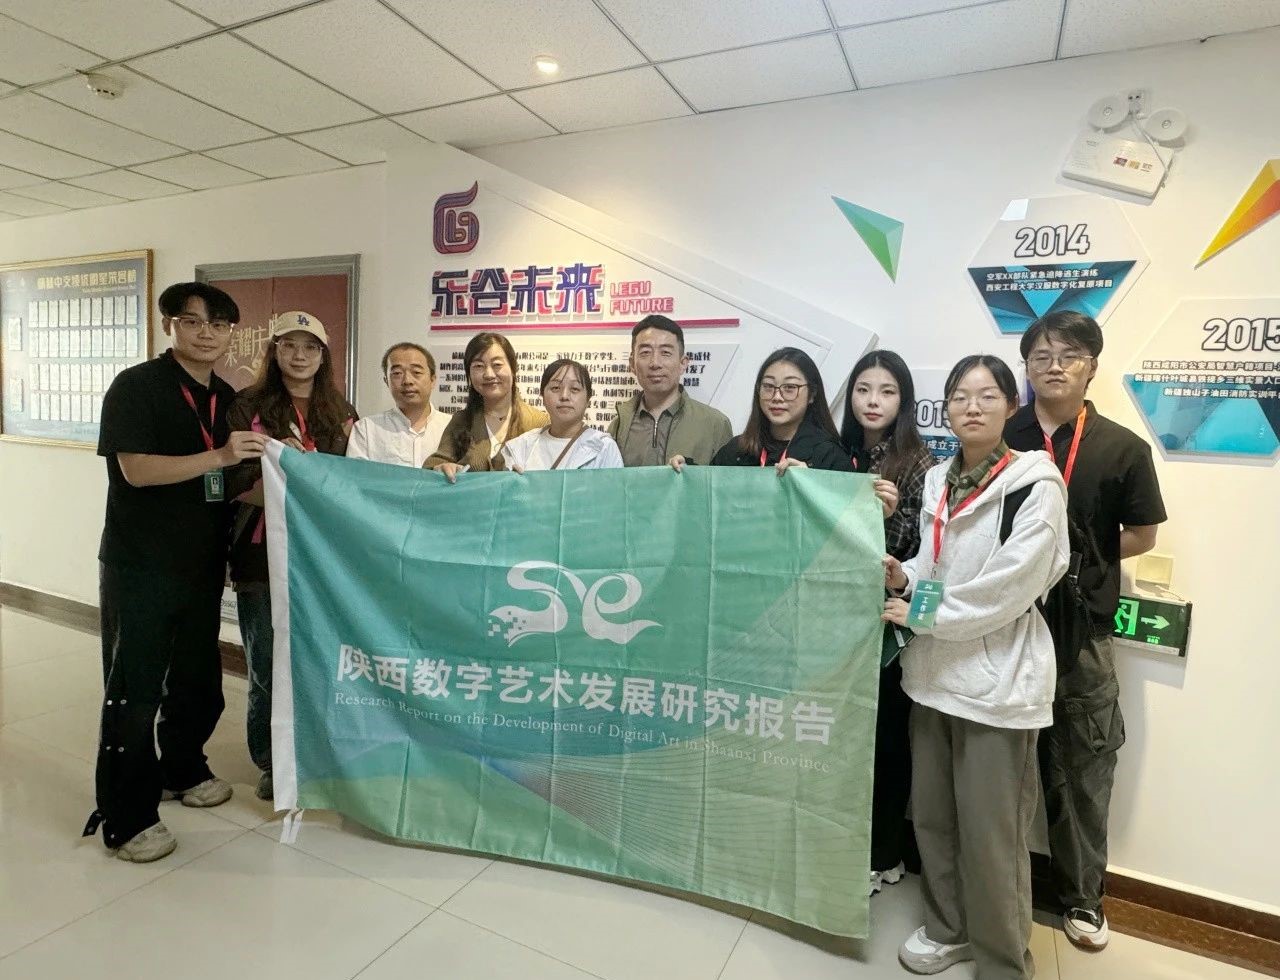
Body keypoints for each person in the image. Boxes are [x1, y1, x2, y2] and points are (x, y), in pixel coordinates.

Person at [884, 354, 1068, 980]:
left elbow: (1009, 589)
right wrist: (904, 578)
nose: (971, 407)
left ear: (1012, 406)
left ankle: (1002, 960)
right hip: (933, 676)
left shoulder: (1035, 486)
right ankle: (949, 930)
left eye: (988, 396)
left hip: (997, 684)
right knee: (934, 818)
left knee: (993, 835)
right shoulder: (940, 478)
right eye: (960, 396)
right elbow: (935, 567)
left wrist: (918, 612)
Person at [86, 282, 268, 863]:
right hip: (140, 563)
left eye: (219, 324)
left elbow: (229, 485)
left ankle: (183, 769)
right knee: (135, 688)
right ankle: (127, 816)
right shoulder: (137, 386)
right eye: (193, 321)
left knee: (197, 681)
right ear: (170, 325)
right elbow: (137, 470)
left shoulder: (227, 397)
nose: (206, 333)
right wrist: (220, 456)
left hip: (201, 564)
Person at [1004, 311, 1166, 951]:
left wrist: (1082, 558)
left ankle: (1082, 897)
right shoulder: (1001, 433)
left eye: (1068, 355)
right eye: (1040, 355)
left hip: (1083, 631)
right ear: (1025, 366)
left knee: (1082, 766)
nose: (1054, 365)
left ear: (1091, 366)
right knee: (999, 760)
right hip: (1006, 624)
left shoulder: (1122, 447)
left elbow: (1142, 535)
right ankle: (995, 885)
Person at [225, 312, 357, 802]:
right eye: (289, 345)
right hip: (260, 551)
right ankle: (269, 759)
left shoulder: (341, 411)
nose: (299, 356)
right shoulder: (247, 406)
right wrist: (285, 482)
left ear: (323, 356)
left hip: (321, 557)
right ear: (274, 350)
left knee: (318, 659)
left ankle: (314, 751)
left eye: (310, 347)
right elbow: (231, 480)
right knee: (266, 662)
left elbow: (352, 481)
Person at [840, 350, 935, 896]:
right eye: (863, 389)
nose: (872, 401)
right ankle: (848, 843)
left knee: (886, 739)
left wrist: (891, 514)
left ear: (904, 400)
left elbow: (921, 554)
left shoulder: (919, 461)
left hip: (887, 626)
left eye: (886, 391)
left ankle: (884, 853)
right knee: (843, 737)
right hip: (835, 621)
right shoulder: (839, 454)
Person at [607, 314, 732, 467]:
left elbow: (726, 481)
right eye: (645, 352)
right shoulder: (618, 427)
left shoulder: (715, 424)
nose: (655, 363)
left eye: (665, 352)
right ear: (632, 364)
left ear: (683, 363)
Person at [424, 332, 546, 481]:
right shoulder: (462, 420)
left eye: (497, 365)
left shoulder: (539, 422)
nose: (489, 374)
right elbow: (434, 465)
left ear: (514, 368)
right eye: (479, 366)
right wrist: (442, 468)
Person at [709, 347, 855, 471]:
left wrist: (811, 482)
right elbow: (708, 490)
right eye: (768, 386)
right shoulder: (736, 450)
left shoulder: (831, 457)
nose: (777, 397)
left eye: (790, 387)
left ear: (812, 394)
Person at [502, 359, 623, 471]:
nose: (564, 396)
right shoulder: (520, 447)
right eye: (555, 388)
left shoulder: (604, 447)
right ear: (542, 396)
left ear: (588, 399)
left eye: (574, 389)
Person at [346, 342, 450, 467]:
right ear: (386, 381)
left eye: (416, 372)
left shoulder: (453, 427)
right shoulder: (367, 430)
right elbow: (355, 476)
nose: (407, 381)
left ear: (432, 380)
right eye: (397, 373)